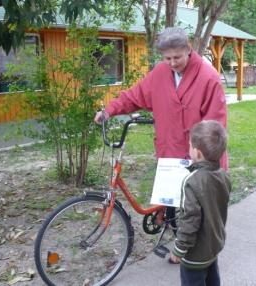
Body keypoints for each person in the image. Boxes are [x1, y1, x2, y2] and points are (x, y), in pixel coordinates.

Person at [94, 26, 228, 170]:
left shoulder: (208, 77)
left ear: (188, 49)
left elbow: (215, 127)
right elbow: (133, 97)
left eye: (177, 57)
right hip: (169, 156)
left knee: (195, 192)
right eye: (167, 58)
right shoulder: (160, 72)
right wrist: (109, 111)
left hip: (201, 159)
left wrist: (203, 159)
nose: (172, 63)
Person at [169, 120, 231, 286]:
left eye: (190, 145)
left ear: (197, 153)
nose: (188, 148)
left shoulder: (192, 181)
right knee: (212, 279)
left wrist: (179, 249)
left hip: (195, 253)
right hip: (213, 244)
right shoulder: (223, 175)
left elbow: (190, 219)